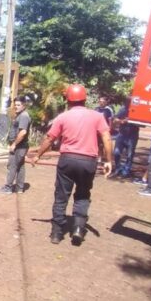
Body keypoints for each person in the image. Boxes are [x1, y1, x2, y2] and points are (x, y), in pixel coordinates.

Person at [31, 84, 112, 246]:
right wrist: (108, 160)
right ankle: (78, 229)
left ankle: (56, 233)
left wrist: (38, 155)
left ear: (68, 99)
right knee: (82, 195)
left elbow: (49, 139)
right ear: (85, 99)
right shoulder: (97, 116)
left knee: (61, 196)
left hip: (67, 160)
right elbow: (107, 138)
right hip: (88, 161)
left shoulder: (63, 117)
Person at [0, 96, 31, 194]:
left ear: (24, 105)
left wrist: (14, 144)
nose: (16, 107)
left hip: (19, 146)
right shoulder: (20, 115)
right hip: (20, 146)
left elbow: (23, 132)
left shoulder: (24, 116)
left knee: (12, 166)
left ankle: (8, 187)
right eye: (15, 104)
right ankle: (19, 188)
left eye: (18, 105)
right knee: (20, 166)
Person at [111, 98, 140, 179]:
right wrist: (122, 121)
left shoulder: (138, 111)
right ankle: (118, 168)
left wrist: (133, 121)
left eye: (128, 102)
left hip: (132, 136)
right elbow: (115, 119)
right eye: (126, 101)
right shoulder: (123, 109)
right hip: (121, 134)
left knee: (130, 154)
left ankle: (126, 170)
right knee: (116, 152)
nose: (126, 103)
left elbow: (143, 125)